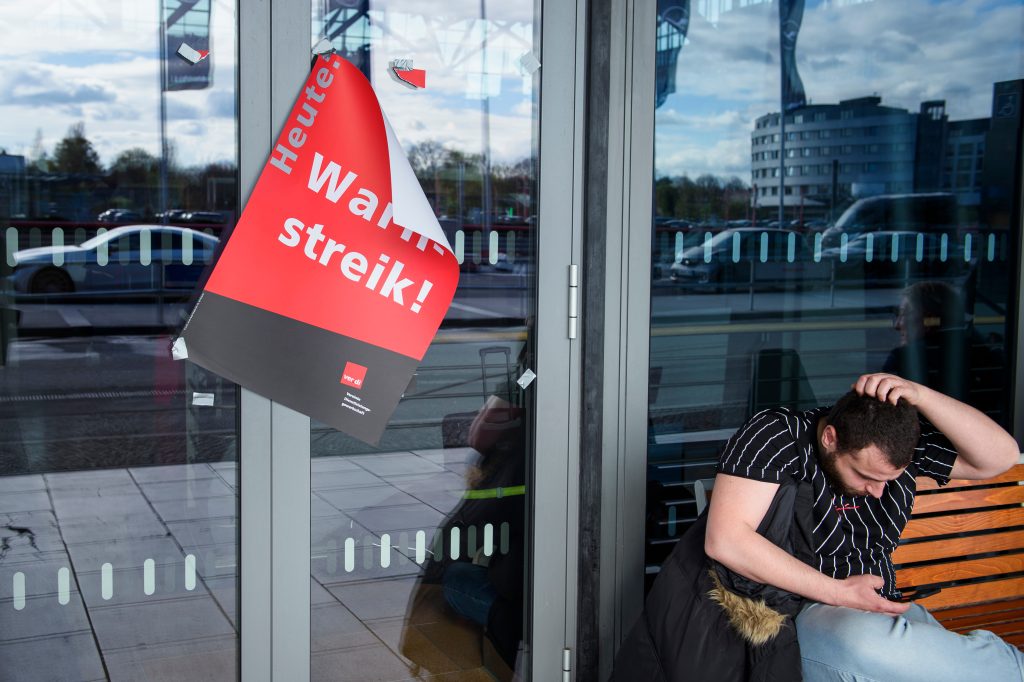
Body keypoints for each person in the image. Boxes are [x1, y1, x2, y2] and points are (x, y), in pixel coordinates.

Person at [707, 373, 1023, 681]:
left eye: (889, 480)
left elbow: (1000, 457)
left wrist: (920, 395)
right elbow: (726, 540)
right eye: (866, 476)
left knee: (891, 654)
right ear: (830, 438)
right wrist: (837, 592)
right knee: (863, 642)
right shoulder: (779, 435)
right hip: (794, 610)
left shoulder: (895, 447)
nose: (877, 490)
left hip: (877, 608)